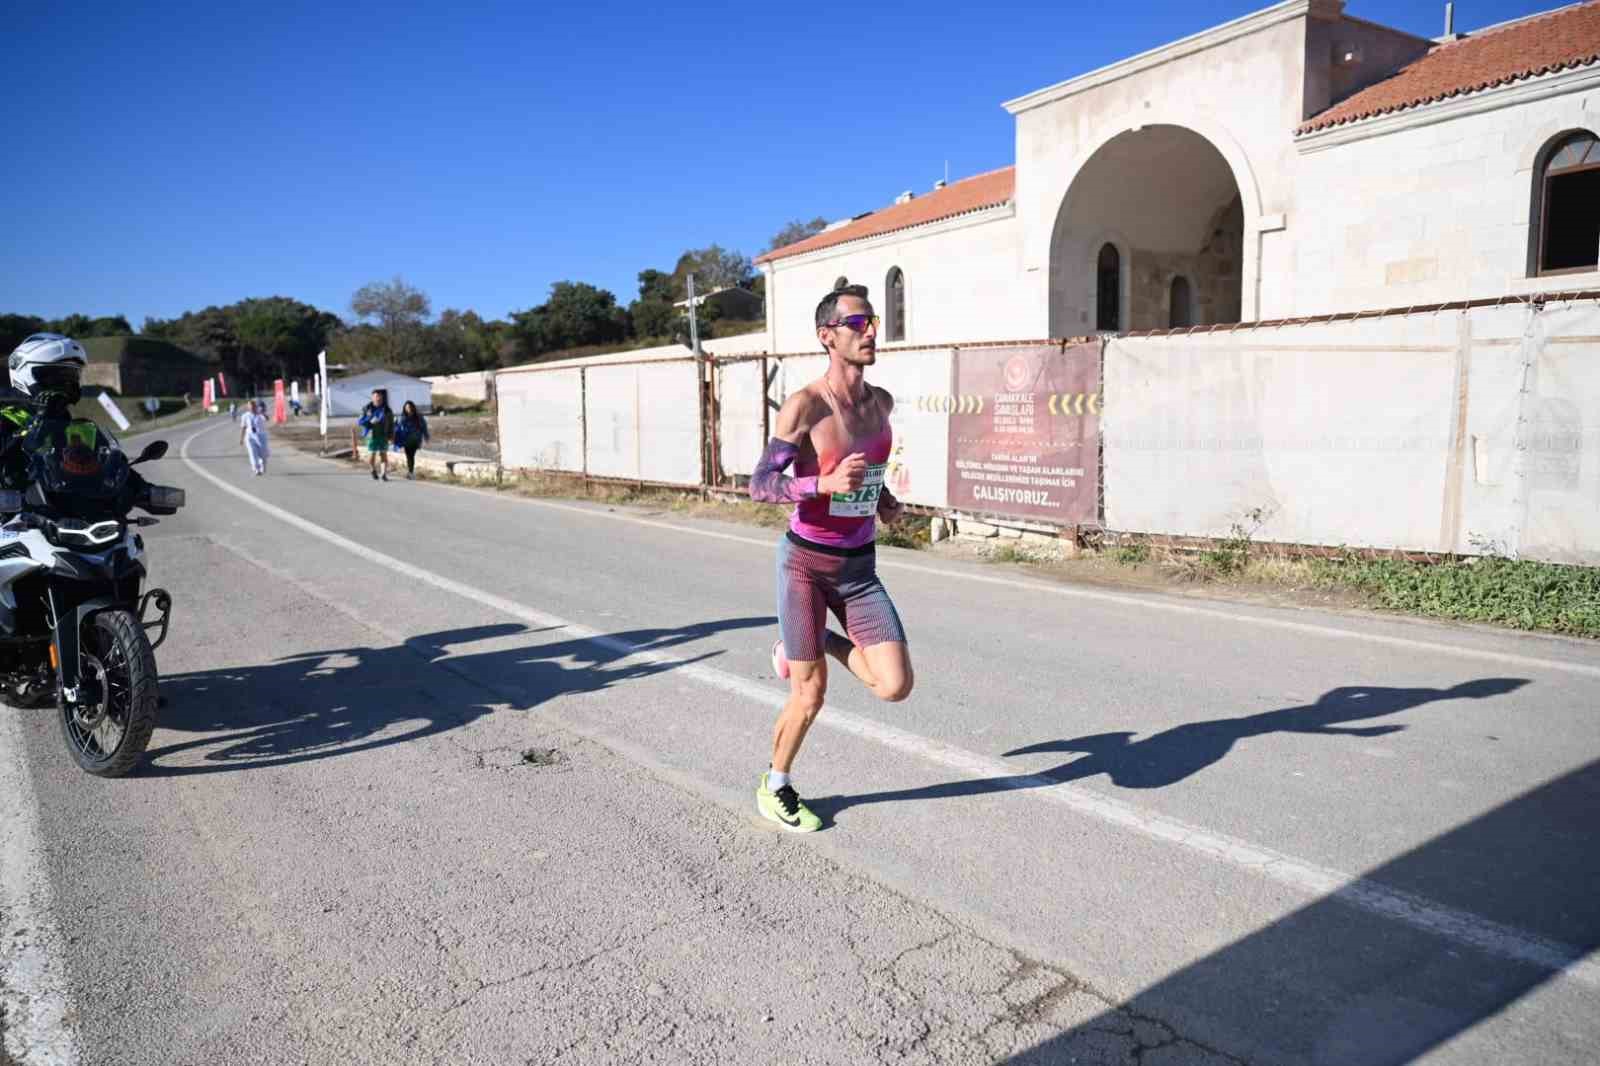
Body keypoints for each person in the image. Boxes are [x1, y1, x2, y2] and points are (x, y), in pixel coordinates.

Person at [747, 283, 913, 832]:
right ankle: (776, 785)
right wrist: (820, 484)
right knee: (810, 693)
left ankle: (806, 645)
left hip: (859, 567)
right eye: (858, 323)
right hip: (805, 565)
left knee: (894, 685)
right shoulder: (805, 406)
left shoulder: (881, 403)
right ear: (827, 336)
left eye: (872, 322)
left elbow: (867, 477)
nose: (870, 331)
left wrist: (883, 501)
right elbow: (760, 484)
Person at [358, 388, 394, 481]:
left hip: (383, 435)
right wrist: (370, 420)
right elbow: (360, 422)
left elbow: (391, 424)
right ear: (372, 398)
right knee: (371, 457)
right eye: (376, 396)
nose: (378, 399)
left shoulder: (387, 410)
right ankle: (373, 470)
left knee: (383, 455)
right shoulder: (366, 409)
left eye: (380, 397)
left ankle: (383, 474)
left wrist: (391, 436)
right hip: (371, 435)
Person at [394, 400, 431, 480]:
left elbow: (424, 427)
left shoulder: (418, 417)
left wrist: (426, 437)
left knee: (411, 455)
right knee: (409, 455)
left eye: (410, 407)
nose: (408, 409)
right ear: (404, 408)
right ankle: (410, 472)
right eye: (407, 407)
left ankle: (410, 472)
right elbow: (398, 427)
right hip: (406, 439)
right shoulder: (402, 417)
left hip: (415, 439)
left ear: (413, 407)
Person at [238, 399, 270, 475]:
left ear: (255, 406)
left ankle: (262, 466)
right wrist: (241, 438)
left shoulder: (260, 414)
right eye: (250, 405)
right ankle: (256, 469)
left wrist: (262, 412)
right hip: (250, 436)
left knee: (263, 454)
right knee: (252, 453)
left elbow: (267, 419)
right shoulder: (245, 416)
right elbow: (243, 427)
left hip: (261, 436)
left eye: (253, 405)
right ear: (248, 407)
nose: (252, 407)